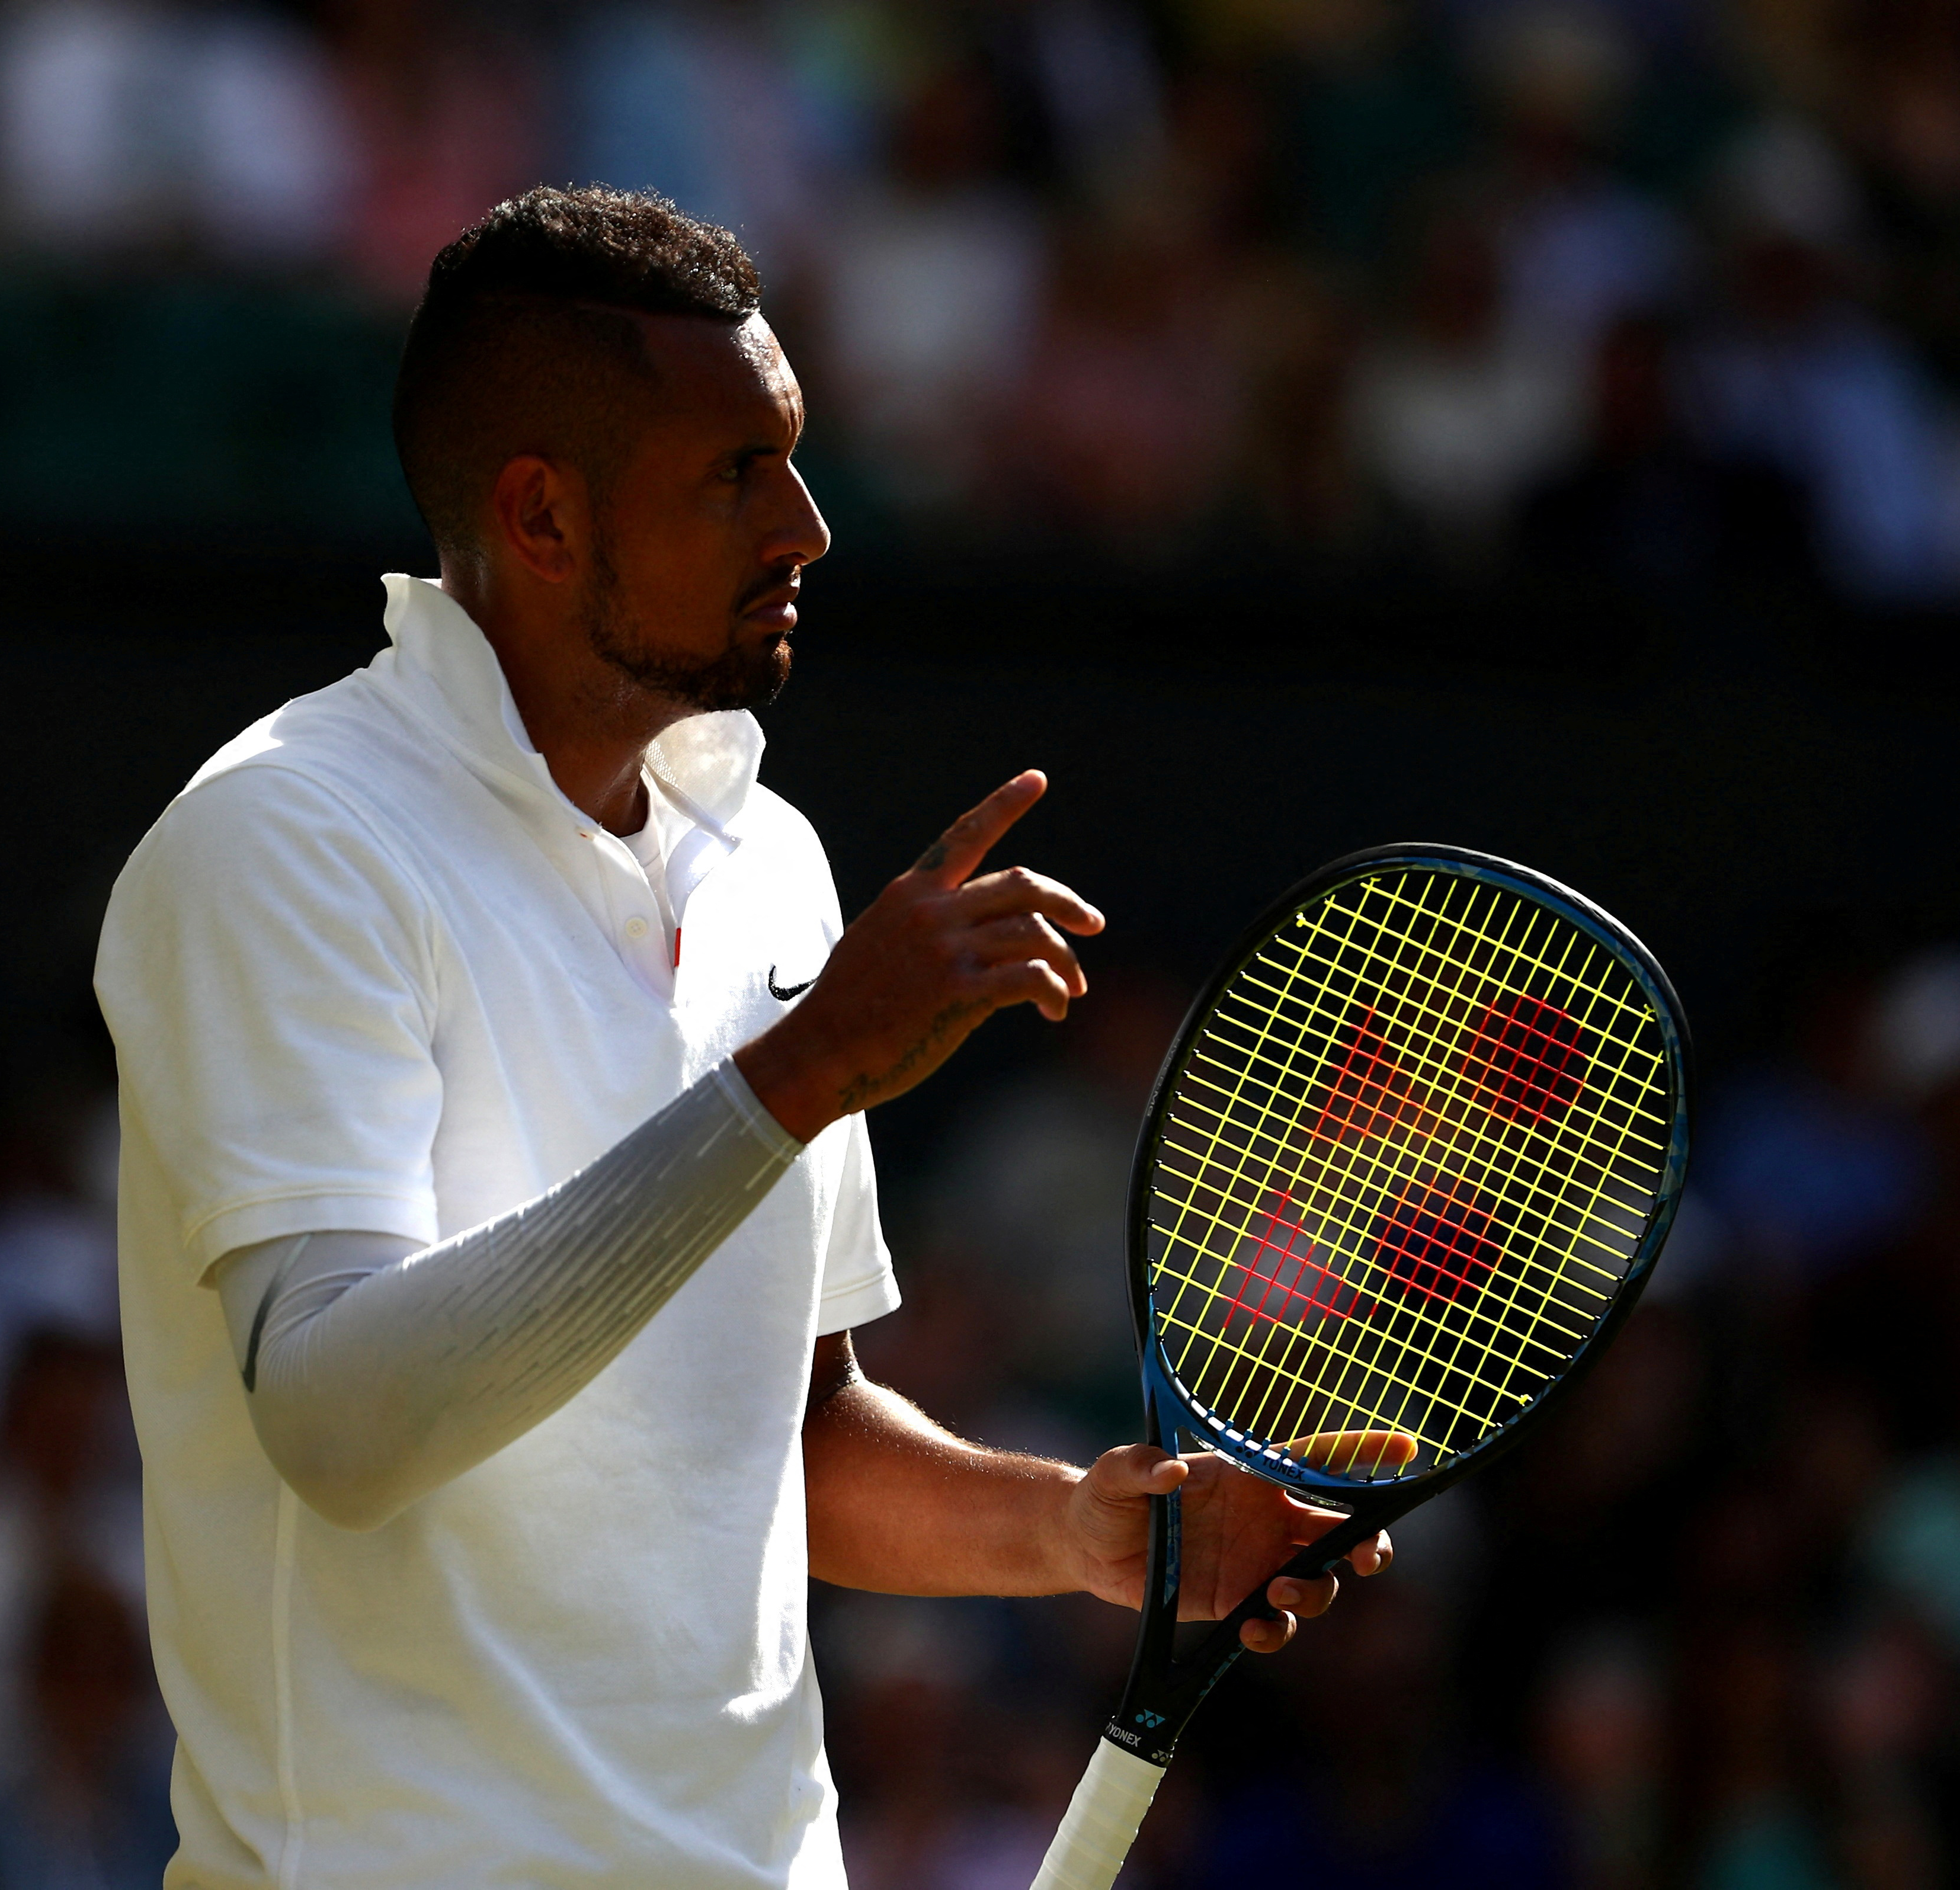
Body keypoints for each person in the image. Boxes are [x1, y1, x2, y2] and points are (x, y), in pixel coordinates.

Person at [93, 184, 1391, 1890]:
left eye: (791, 455)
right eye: (735, 474)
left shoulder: (767, 860)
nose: (809, 526)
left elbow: (791, 1437)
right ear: (542, 519)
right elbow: (341, 1427)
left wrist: (1081, 1532)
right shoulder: (283, 840)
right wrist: (798, 1077)